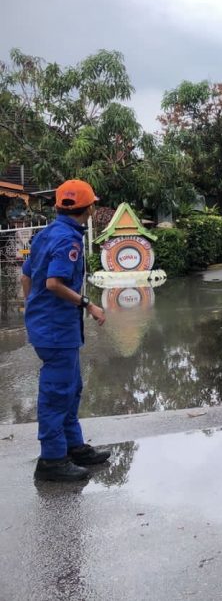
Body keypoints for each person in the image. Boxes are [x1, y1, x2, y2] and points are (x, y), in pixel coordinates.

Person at [21, 179, 109, 482]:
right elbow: (53, 284)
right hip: (56, 329)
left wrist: (32, 309)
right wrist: (89, 304)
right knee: (57, 394)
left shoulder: (46, 234)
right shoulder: (68, 241)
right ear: (90, 207)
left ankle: (73, 446)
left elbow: (26, 277)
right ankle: (52, 460)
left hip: (52, 326)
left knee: (71, 389)